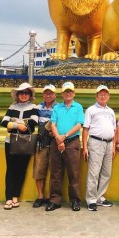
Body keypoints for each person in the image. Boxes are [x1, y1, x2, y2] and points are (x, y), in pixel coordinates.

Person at [47, 81, 85, 212]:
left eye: (70, 91)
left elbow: (79, 124)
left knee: (73, 173)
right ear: (62, 94)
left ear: (74, 93)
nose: (68, 94)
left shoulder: (78, 107)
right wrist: (58, 138)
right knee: (55, 172)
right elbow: (53, 124)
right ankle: (55, 200)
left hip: (72, 141)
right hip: (57, 141)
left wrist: (65, 136)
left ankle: (74, 200)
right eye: (65, 92)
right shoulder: (57, 108)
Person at [0, 83, 38, 210]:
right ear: (17, 95)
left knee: (21, 170)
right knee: (10, 170)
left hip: (25, 142)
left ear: (30, 95)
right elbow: (4, 122)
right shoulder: (12, 107)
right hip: (10, 142)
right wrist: (17, 125)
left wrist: (15, 122)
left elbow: (33, 123)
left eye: (26, 93)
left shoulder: (33, 107)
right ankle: (9, 198)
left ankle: (16, 196)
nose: (24, 95)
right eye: (21, 93)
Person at [82, 85, 116, 211]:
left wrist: (113, 146)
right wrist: (85, 147)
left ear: (108, 96)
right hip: (96, 142)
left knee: (106, 173)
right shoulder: (91, 110)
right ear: (96, 96)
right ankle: (91, 200)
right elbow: (85, 129)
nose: (103, 96)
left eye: (105, 94)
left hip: (109, 143)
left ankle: (99, 197)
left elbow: (114, 129)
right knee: (94, 173)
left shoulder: (111, 111)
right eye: (100, 94)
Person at [32, 84, 57, 208]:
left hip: (54, 143)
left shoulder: (59, 108)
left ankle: (51, 196)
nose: (48, 95)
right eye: (46, 93)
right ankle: (40, 195)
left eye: (51, 93)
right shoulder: (38, 107)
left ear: (55, 95)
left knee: (54, 172)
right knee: (39, 171)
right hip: (41, 143)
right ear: (43, 95)